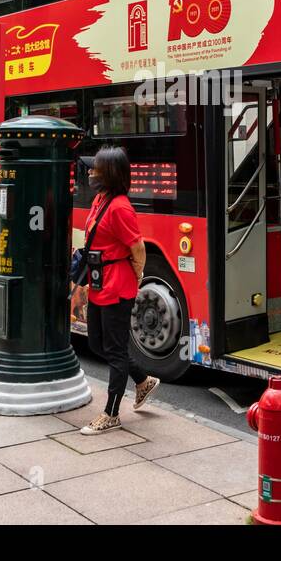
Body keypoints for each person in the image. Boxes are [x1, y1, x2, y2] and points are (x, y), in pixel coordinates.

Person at [74, 145, 159, 435]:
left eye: (96, 168)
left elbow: (138, 247)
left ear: (109, 173)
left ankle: (111, 414)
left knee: (115, 350)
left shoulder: (121, 207)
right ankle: (142, 380)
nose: (91, 172)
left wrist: (136, 276)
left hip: (117, 285)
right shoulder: (101, 199)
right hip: (100, 281)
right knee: (97, 343)